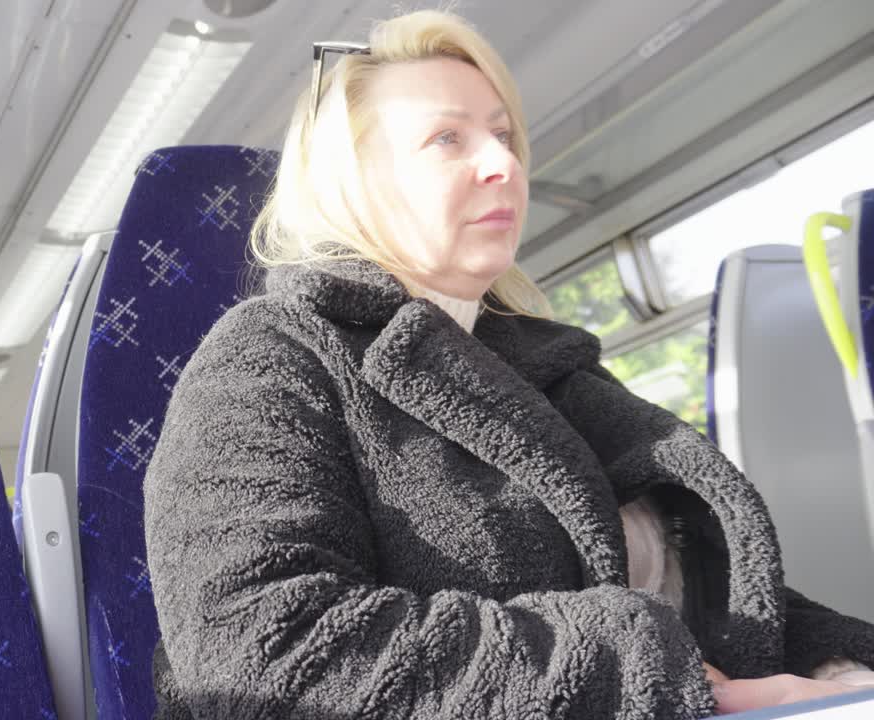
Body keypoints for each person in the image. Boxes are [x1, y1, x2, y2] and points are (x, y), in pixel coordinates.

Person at [143, 9, 874, 718]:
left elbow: (710, 590)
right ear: (352, 179)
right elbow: (261, 652)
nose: (502, 163)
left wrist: (839, 671)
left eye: (502, 135)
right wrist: (659, 670)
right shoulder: (273, 356)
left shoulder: (549, 367)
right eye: (447, 139)